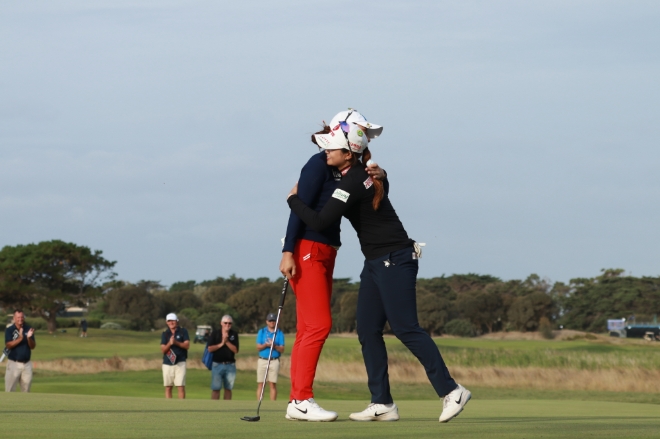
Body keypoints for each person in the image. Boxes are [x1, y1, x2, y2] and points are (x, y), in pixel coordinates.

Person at [286, 118, 471, 423]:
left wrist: (292, 199)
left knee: (405, 327)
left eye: (333, 147)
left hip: (395, 257)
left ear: (349, 154)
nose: (326, 151)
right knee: (368, 330)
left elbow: (319, 222)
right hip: (375, 262)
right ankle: (382, 402)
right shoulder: (359, 175)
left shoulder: (352, 181)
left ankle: (451, 390)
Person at [279, 109, 385, 422]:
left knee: (307, 328)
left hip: (326, 251)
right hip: (308, 248)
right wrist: (288, 251)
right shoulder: (318, 164)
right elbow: (299, 207)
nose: (327, 150)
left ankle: (297, 399)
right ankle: (301, 399)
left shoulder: (351, 170)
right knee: (319, 325)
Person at [4, 309, 36, 392]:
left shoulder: (28, 329)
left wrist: (29, 338)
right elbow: (8, 345)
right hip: (14, 364)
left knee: (26, 391)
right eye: (18, 317)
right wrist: (21, 338)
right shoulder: (10, 330)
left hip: (26, 364)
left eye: (22, 317)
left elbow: (32, 346)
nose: (20, 319)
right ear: (14, 318)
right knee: (10, 390)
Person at [208, 315, 239, 400]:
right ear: (221, 323)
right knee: (216, 388)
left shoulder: (234, 334)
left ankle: (227, 409)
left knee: (228, 389)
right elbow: (210, 349)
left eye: (229, 323)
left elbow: (235, 350)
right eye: (225, 323)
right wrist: (222, 343)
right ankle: (214, 409)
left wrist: (227, 341)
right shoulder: (215, 333)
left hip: (230, 365)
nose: (227, 325)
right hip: (217, 364)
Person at [255, 312, 285, 401]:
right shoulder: (262, 331)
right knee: (261, 383)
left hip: (274, 361)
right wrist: (266, 345)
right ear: (267, 322)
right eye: (270, 320)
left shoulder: (279, 333)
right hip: (263, 360)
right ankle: (259, 403)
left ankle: (272, 404)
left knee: (272, 384)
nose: (272, 322)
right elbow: (258, 347)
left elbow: (282, 349)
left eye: (274, 321)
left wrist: (274, 345)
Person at [160, 313, 190, 399]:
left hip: (180, 362)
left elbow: (187, 346)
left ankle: (181, 407)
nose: (171, 322)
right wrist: (170, 343)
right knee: (168, 387)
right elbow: (163, 350)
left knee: (180, 386)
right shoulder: (165, 334)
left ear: (177, 321)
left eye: (173, 320)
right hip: (167, 363)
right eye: (169, 321)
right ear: (166, 322)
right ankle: (169, 407)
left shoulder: (183, 331)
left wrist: (176, 343)